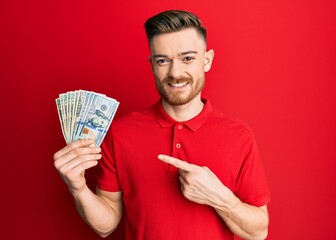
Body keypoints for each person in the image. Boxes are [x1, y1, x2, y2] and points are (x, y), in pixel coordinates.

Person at [53, 10, 270, 240]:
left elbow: (258, 232)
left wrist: (219, 197)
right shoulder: (120, 133)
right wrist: (78, 188)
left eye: (188, 58)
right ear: (152, 65)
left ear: (207, 60)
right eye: (163, 61)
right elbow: (105, 225)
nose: (175, 73)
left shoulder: (239, 136)